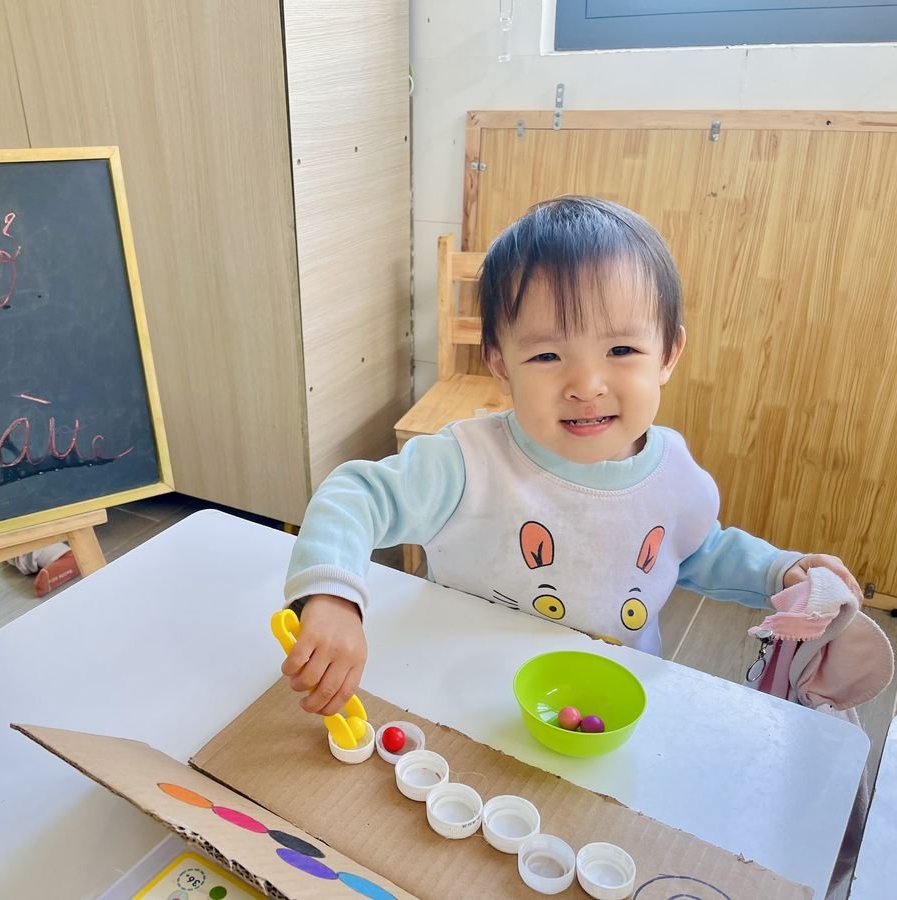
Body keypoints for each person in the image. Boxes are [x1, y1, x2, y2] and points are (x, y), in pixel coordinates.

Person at [279, 196, 862, 718]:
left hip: (603, 708)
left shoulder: (674, 477)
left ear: (668, 354)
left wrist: (778, 571)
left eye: (621, 349)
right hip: (458, 696)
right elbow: (357, 495)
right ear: (501, 365)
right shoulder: (469, 462)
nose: (586, 385)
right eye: (547, 356)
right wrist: (333, 597)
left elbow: (697, 549)